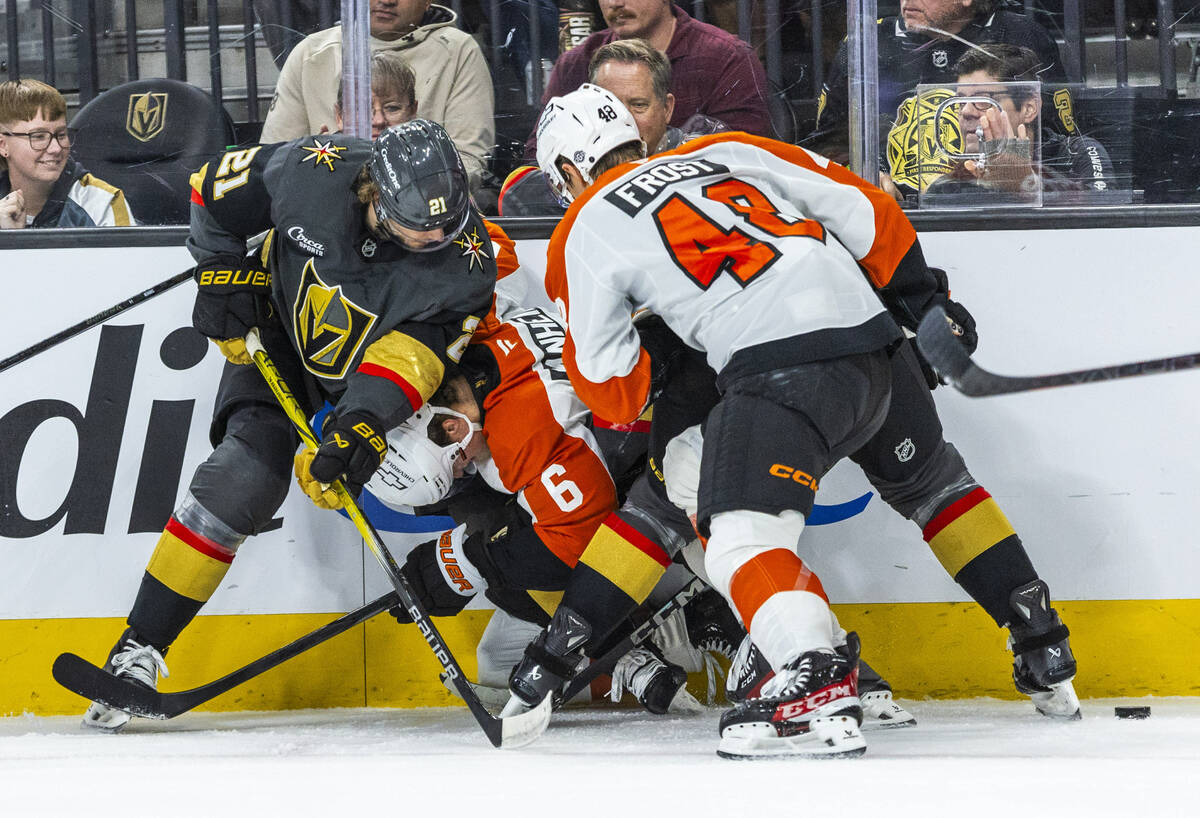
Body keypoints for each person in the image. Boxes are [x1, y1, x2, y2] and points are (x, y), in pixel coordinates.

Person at [507, 84, 1080, 759]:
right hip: (874, 339)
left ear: (571, 171)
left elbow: (611, 393)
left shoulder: (585, 223)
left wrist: (656, 341)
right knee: (935, 485)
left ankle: (815, 672)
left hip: (777, 369)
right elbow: (866, 209)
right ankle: (1040, 640)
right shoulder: (725, 149)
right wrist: (925, 305)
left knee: (735, 538)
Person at [80, 120, 498, 731]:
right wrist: (221, 270)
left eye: (446, 224)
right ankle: (137, 650)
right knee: (242, 479)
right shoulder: (312, 169)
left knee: (451, 479)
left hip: (364, 377)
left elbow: (412, 357)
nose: (436, 237)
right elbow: (210, 193)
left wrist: (359, 426)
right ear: (374, 193)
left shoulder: (467, 262)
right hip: (272, 335)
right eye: (419, 225)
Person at [366, 296, 704, 715]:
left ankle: (678, 630)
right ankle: (634, 653)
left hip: (693, 450)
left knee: (509, 575)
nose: (463, 470)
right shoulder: (478, 326)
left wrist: (470, 563)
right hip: (681, 357)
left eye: (456, 463)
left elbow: (578, 544)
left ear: (451, 426)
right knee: (495, 647)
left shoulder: (520, 443)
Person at [811, 0, 1077, 202]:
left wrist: (1023, 183)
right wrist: (867, 178)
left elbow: (1058, 141)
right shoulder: (867, 42)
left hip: (991, 204)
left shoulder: (1023, 36)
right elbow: (827, 148)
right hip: (896, 215)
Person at [260, 0, 494, 193]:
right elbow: (275, 161)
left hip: (424, 218)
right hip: (325, 217)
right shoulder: (309, 53)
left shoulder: (459, 50)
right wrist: (316, 167)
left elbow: (467, 161)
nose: (387, 1)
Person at [500, 37, 726, 216]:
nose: (623, 117)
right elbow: (516, 193)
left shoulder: (709, 162)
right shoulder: (568, 168)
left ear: (667, 108)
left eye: (638, 105)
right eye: (610, 104)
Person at [523, 0, 770, 158]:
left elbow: (745, 161)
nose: (615, 3)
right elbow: (538, 156)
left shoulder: (727, 58)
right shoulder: (574, 65)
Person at [926, 44, 1114, 200]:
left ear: (1028, 108)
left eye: (983, 100)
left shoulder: (1075, 153)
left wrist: (1025, 183)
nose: (966, 111)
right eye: (960, 101)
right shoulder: (953, 181)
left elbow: (1105, 218)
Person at [0, 79, 134, 229]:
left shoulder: (102, 202)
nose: (56, 148)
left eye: (61, 135)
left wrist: (15, 241)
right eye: (38, 137)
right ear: (3, 145)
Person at [330, 51, 419, 138]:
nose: (379, 121)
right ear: (340, 117)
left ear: (412, 112)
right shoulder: (322, 150)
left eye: (392, 108)